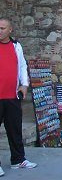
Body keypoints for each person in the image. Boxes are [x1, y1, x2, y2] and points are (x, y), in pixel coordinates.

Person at [0, 17, 37, 175]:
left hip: (12, 96)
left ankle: (18, 160)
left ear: (10, 30)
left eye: (2, 28)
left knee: (15, 130)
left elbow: (22, 66)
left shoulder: (16, 46)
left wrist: (24, 85)